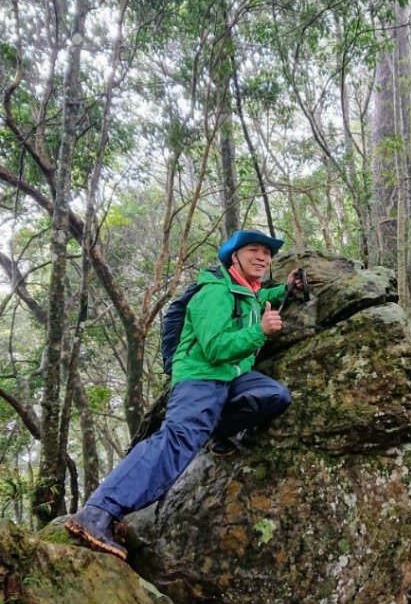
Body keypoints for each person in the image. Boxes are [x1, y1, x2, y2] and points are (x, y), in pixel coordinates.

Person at [66, 229, 300, 560]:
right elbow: (216, 348)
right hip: (201, 379)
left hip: (232, 378)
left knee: (273, 395)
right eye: (253, 251)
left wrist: (286, 289)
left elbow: (262, 298)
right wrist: (259, 331)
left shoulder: (249, 291)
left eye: (267, 252)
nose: (262, 257)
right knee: (174, 442)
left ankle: (218, 435)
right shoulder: (215, 293)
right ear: (235, 256)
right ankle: (98, 512)